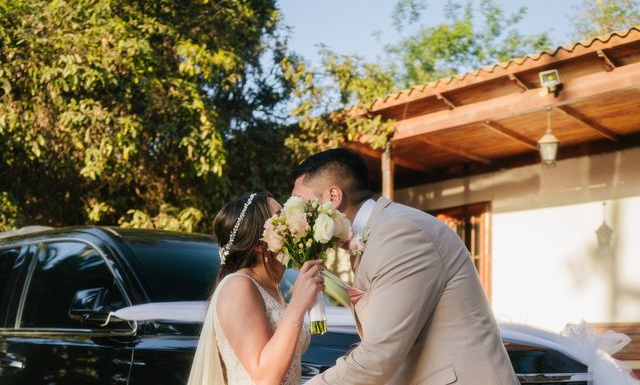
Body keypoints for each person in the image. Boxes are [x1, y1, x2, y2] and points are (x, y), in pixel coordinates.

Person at [292, 149, 519, 385]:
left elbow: (378, 357)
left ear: (333, 197)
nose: (298, 215)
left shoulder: (399, 233)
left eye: (301, 203)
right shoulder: (378, 233)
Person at [188, 192, 324, 385]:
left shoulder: (270, 288)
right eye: (281, 219)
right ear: (259, 244)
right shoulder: (238, 286)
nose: (291, 223)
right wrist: (298, 304)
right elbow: (264, 377)